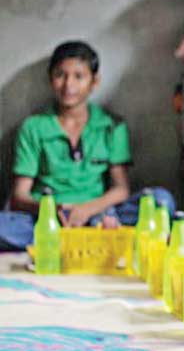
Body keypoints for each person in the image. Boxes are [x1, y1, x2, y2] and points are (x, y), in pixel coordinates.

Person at [0, 41, 174, 251]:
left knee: (160, 201)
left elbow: (121, 189)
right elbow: (19, 196)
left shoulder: (111, 125)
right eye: (60, 75)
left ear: (94, 81)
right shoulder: (33, 127)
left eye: (79, 76)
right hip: (46, 219)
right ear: (50, 79)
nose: (68, 85)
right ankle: (88, 240)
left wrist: (86, 210)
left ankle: (76, 239)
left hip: (98, 212)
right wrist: (52, 209)